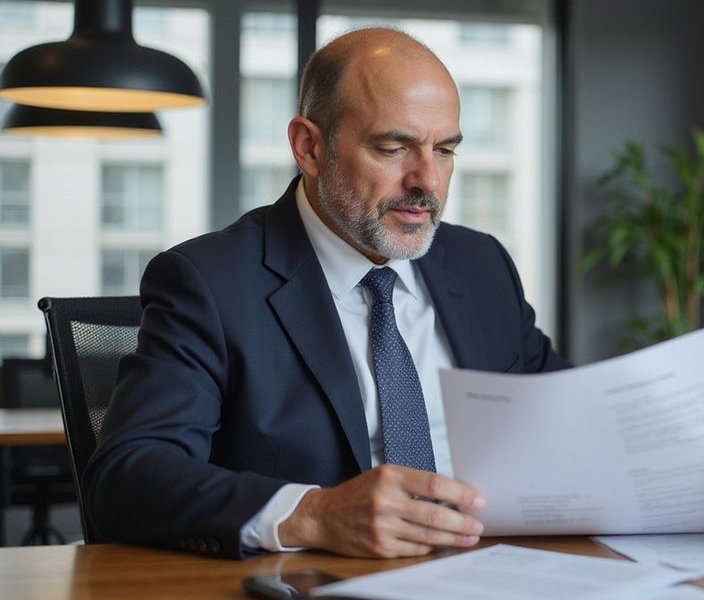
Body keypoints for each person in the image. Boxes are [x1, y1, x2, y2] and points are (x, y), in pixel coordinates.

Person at [85, 28, 567, 559]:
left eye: (445, 150)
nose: (427, 180)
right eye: (393, 147)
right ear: (309, 147)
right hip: (318, 581)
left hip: (493, 568)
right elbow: (127, 478)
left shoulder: (482, 266)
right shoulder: (208, 281)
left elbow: (564, 415)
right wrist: (313, 515)